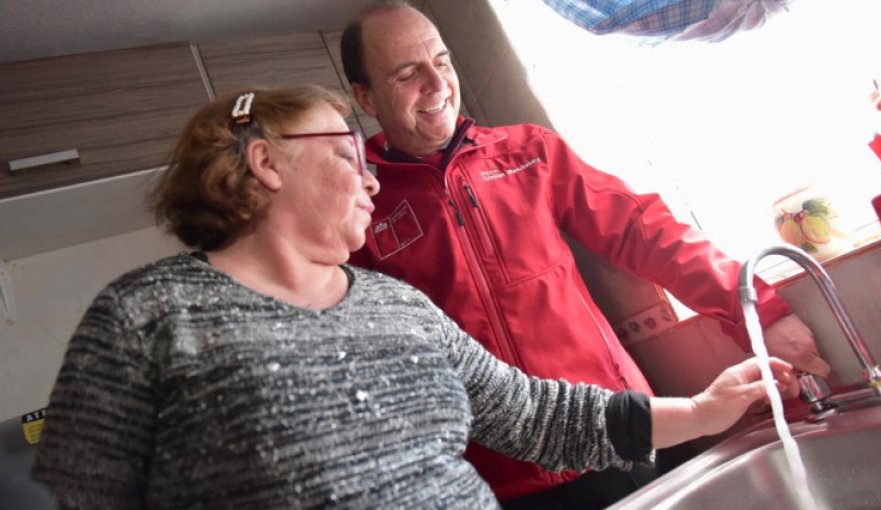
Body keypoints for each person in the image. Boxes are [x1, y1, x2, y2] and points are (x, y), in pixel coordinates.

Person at [29, 85, 799, 510]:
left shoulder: (399, 306)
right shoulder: (146, 315)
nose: (369, 175)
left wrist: (702, 411)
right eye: (341, 151)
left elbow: (537, 417)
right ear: (264, 162)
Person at [339, 1, 830, 507]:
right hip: (500, 486)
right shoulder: (359, 208)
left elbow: (645, 232)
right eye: (407, 74)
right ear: (366, 96)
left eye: (441, 61)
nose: (437, 84)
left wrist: (758, 312)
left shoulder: (528, 151)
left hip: (620, 437)